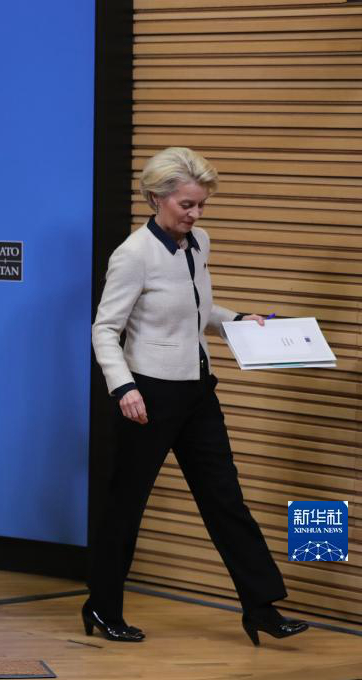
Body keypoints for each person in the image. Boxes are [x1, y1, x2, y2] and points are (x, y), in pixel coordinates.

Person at [86, 146, 307, 646]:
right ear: (155, 198)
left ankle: (261, 607)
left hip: (197, 390)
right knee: (125, 505)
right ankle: (102, 606)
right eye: (186, 204)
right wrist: (124, 387)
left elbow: (197, 309)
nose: (195, 214)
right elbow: (105, 329)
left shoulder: (198, 242)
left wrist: (239, 320)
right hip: (148, 394)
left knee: (225, 498)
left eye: (201, 204)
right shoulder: (133, 255)